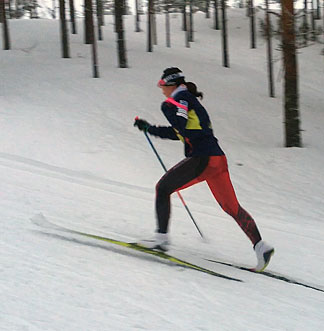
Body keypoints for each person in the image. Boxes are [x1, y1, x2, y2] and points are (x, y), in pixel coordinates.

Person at [134, 67, 274, 272]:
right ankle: (261, 247)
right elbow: (181, 132)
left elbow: (180, 126)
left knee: (163, 188)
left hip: (203, 159)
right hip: (217, 159)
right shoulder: (187, 99)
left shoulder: (179, 98)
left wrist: (168, 109)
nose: (161, 90)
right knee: (232, 208)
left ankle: (161, 240)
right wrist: (150, 129)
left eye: (162, 86)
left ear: (171, 84)